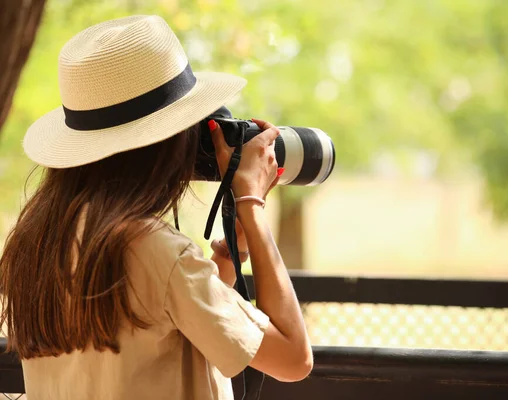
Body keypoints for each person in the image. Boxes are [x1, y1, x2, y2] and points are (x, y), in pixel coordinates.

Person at [0, 15, 312, 400]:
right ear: (167, 143)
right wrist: (251, 201)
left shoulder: (41, 239)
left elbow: (156, 323)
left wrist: (234, 252)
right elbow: (293, 358)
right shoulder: (154, 249)